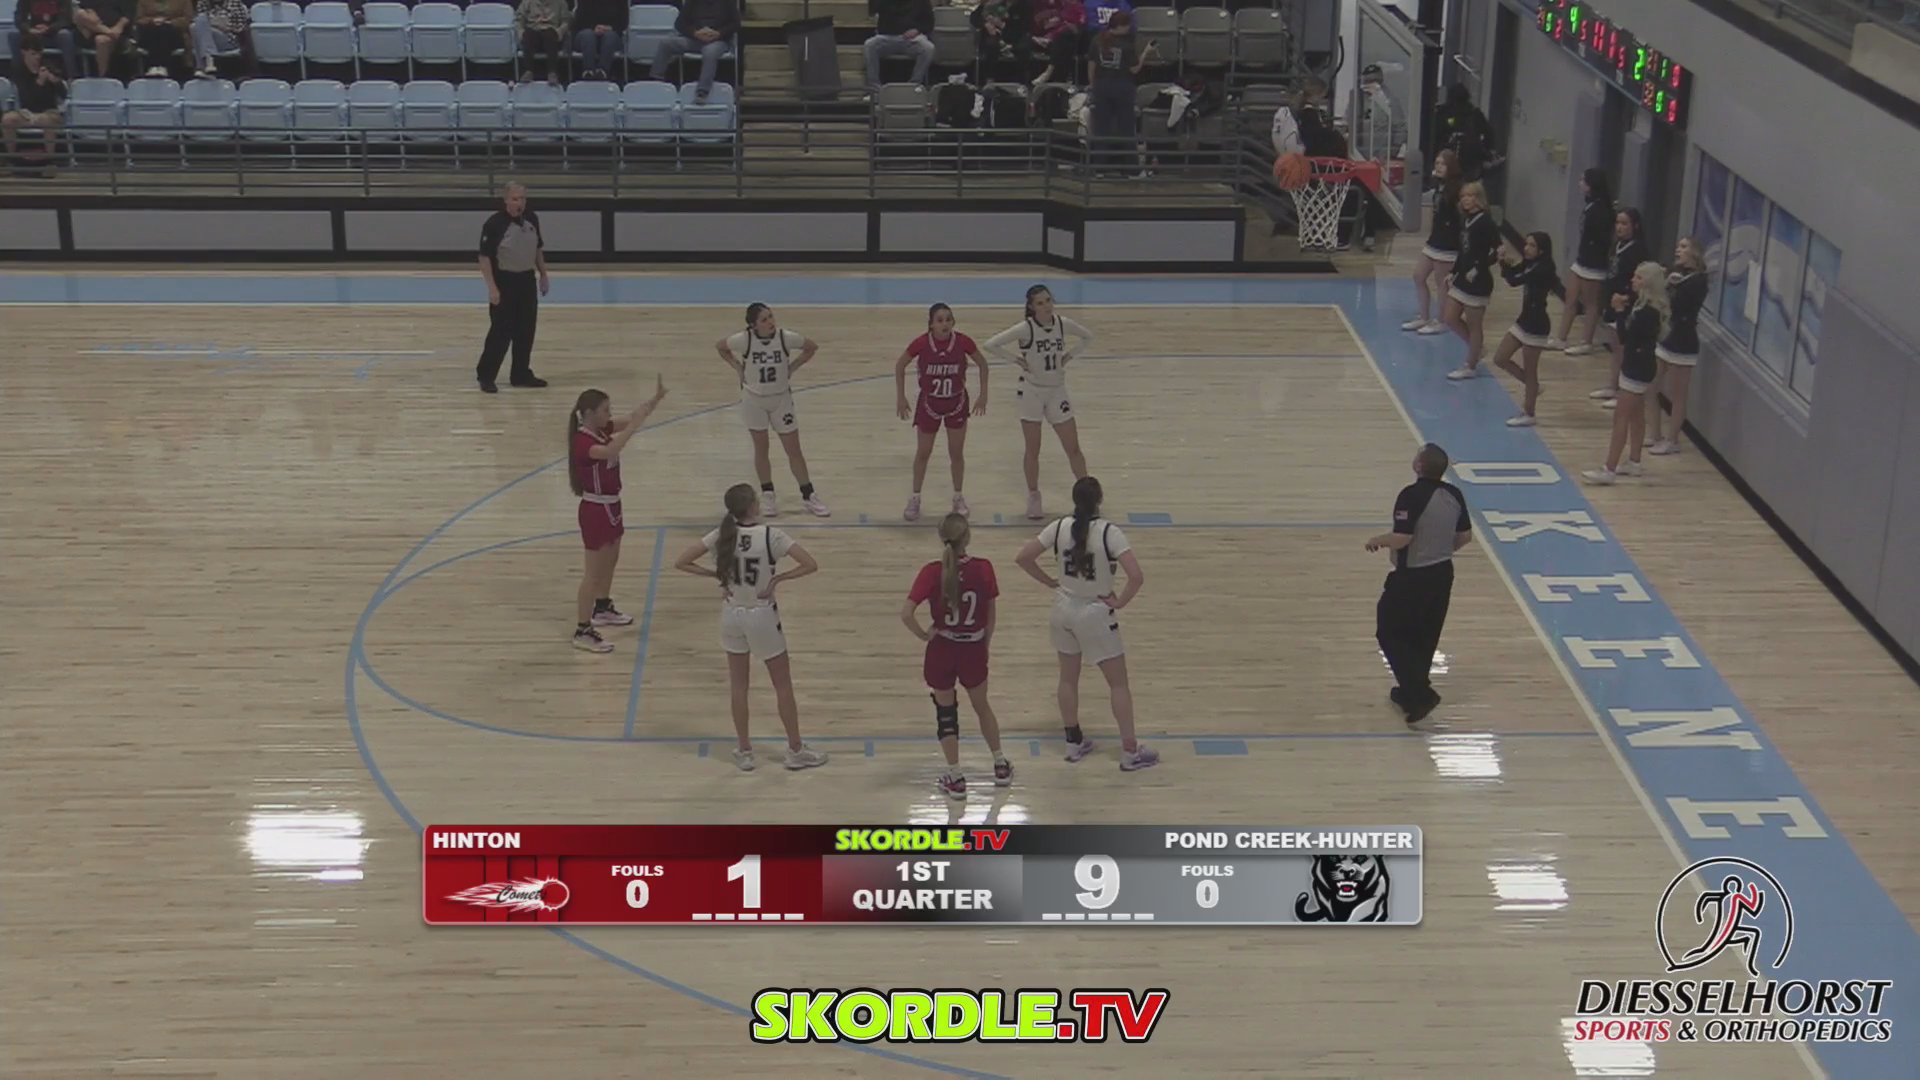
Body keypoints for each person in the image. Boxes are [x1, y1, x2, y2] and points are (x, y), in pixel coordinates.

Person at [672, 483, 829, 772]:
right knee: (782, 685)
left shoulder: (722, 535)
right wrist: (777, 579)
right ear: (754, 507)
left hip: (731, 614)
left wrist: (716, 576)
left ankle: (745, 751)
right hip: (762, 615)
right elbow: (810, 564)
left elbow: (681, 561)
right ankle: (795, 749)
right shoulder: (771, 535)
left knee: (739, 686)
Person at [1015, 476, 1157, 771]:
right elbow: (1137, 576)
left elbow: (1023, 557)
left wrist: (1050, 582)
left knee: (1067, 678)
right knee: (1118, 684)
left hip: (1063, 609)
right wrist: (1120, 602)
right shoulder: (1109, 532)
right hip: (1094, 612)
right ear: (1099, 500)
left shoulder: (1059, 526)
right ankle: (1130, 751)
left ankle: (1073, 742)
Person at [902, 513, 1011, 799]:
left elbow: (906, 613)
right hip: (972, 648)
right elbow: (990, 617)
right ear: (967, 537)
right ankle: (1000, 763)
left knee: (946, 714)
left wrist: (924, 635)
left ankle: (956, 776)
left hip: (942, 649)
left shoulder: (932, 572)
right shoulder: (984, 568)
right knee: (982, 706)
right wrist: (984, 644)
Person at [1367, 443, 1471, 725]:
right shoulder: (1454, 494)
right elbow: (1465, 536)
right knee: (1425, 633)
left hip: (1413, 576)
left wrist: (1378, 540)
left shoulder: (1410, 495)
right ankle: (1410, 693)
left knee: (1389, 631)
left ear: (1419, 466)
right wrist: (1439, 550)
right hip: (1443, 573)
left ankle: (1421, 694)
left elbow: (1403, 538)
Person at [565, 377, 668, 653]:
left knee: (610, 561)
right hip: (595, 509)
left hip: (612, 505)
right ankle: (582, 629)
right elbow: (612, 449)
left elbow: (634, 416)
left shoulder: (601, 429)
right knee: (592, 573)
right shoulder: (582, 442)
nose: (609, 415)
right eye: (605, 410)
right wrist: (633, 427)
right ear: (589, 414)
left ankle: (602, 607)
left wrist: (655, 400)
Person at [983, 285, 1095, 520]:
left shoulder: (1063, 324)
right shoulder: (1026, 328)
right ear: (1032, 307)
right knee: (1033, 449)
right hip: (1031, 392)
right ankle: (1034, 496)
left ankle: (1087, 497)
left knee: (1073, 448)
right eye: (1040, 303)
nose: (1046, 306)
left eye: (1048, 301)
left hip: (1057, 391)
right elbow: (991, 344)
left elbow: (1088, 337)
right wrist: (1017, 360)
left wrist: (1069, 356)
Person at [716, 303, 830, 519]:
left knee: (793, 450)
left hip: (781, 400)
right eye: (764, 319)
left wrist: (792, 368)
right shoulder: (744, 340)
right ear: (753, 325)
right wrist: (738, 368)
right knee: (761, 448)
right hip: (753, 400)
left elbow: (811, 347)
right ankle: (768, 494)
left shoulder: (785, 337)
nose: (770, 322)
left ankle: (809, 495)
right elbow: (720, 347)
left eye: (771, 317)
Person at [895, 303, 989, 522]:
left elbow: (983, 365)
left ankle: (958, 497)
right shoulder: (921, 343)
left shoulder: (963, 342)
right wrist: (901, 397)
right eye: (940, 320)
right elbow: (900, 366)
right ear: (931, 324)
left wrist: (983, 394)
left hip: (956, 402)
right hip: (930, 404)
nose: (945, 324)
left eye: (948, 319)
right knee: (923, 453)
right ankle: (915, 498)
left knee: (956, 453)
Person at [1582, 262, 1668, 485]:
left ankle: (1609, 469)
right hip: (1640, 365)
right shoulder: (1643, 306)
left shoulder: (1647, 312)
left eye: (1638, 277)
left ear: (1648, 283)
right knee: (1636, 415)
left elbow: (1624, 338)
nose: (1632, 280)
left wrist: (1619, 312)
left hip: (1636, 368)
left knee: (1621, 417)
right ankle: (1634, 461)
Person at [475, 181, 551, 393]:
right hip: (504, 281)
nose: (520, 203)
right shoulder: (494, 224)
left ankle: (520, 373)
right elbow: (484, 257)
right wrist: (492, 288)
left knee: (526, 330)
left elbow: (537, 248)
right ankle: (486, 375)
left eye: (523, 198)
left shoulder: (532, 219)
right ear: (506, 200)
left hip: (526, 280)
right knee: (501, 331)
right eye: (516, 199)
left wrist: (543, 274)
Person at [1490, 231, 1556, 426]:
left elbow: (1514, 279)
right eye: (1526, 244)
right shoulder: (1530, 263)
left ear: (1542, 250)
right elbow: (1513, 274)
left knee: (1531, 370)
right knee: (1500, 358)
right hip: (1524, 319)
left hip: (1537, 324)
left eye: (1532, 245)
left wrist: (1503, 263)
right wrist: (1505, 263)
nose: (1526, 248)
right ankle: (1533, 387)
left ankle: (1529, 413)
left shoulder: (1543, 268)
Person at [1649, 238, 1708, 455]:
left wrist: (1670, 287)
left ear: (1695, 252)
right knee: (1650, 386)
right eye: (1678, 246)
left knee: (1678, 395)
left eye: (1683, 247)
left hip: (1683, 340)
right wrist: (1666, 283)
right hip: (1667, 336)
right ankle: (1655, 434)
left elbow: (1679, 305)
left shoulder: (1698, 281)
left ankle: (1672, 440)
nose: (1678, 250)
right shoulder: (1677, 275)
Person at [1590, 206, 1649, 408]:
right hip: (1612, 301)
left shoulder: (1638, 250)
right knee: (1615, 347)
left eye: (1624, 223)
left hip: (1626, 304)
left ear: (1635, 226)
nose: (1619, 227)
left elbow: (1642, 281)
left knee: (1623, 349)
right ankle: (1612, 385)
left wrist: (1627, 298)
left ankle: (1623, 391)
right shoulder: (1617, 245)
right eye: (1617, 223)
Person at [1551, 167, 1614, 354]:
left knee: (1590, 303)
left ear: (1591, 184)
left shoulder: (1601, 209)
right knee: (1570, 298)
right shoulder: (1590, 205)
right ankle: (1561, 338)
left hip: (1594, 263)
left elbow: (1602, 238)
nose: (1579, 183)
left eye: (1583, 180)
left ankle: (1586, 341)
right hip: (1582, 259)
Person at [1441, 181, 1500, 380]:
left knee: (1475, 325)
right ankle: (1477, 349)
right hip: (1462, 278)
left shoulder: (1486, 222)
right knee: (1450, 317)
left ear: (1479, 198)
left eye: (1470, 195)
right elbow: (1464, 250)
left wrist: (1478, 268)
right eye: (1463, 196)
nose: (1466, 199)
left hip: (1479, 281)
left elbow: (1498, 250)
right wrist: (1454, 271)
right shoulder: (1465, 220)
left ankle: (1470, 365)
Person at [1084, 10, 1153, 177]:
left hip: (1101, 87)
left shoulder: (1097, 40)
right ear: (1120, 26)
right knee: (1126, 130)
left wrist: (1093, 86)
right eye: (1127, 25)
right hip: (1122, 88)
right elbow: (1134, 69)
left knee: (1101, 130)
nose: (1129, 28)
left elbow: (1091, 66)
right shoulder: (1126, 45)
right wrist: (1146, 52)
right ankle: (1131, 170)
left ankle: (1098, 169)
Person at [1403, 148, 1462, 332]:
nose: (1439, 166)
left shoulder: (1458, 189)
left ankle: (1442, 321)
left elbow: (1459, 218)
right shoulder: (1439, 186)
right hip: (1434, 240)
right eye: (1437, 163)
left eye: (1443, 163)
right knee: (1418, 276)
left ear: (1451, 166)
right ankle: (1423, 316)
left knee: (1441, 284)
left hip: (1448, 244)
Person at [654, 0, 735, 104]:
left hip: (718, 40)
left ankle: (702, 92)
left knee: (709, 52)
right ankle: (656, 81)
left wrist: (718, 33)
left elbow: (736, 24)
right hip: (695, 39)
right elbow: (679, 24)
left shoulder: (728, 2)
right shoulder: (692, 2)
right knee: (665, 43)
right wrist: (695, 33)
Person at [3, 35, 65, 170]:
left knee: (47, 121)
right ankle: (11, 158)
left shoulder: (48, 65)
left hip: (49, 112)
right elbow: (28, 98)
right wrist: (40, 82)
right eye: (33, 54)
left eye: (39, 54)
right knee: (7, 119)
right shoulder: (18, 69)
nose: (37, 57)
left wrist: (56, 82)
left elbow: (64, 94)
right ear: (24, 52)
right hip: (26, 112)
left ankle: (49, 161)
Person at [864, 0, 934, 90]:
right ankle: (874, 88)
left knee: (928, 48)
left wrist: (917, 30)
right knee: (869, 45)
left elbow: (929, 23)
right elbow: (872, 10)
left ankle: (914, 85)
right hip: (887, 37)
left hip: (912, 39)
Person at [1431, 83, 1495, 179]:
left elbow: (1435, 137)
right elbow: (1489, 134)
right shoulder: (1474, 113)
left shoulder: (1443, 113)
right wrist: (1486, 153)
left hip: (1447, 160)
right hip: (1470, 162)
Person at [10, 0, 79, 81]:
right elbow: (19, 18)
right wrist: (28, 29)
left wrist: (49, 29)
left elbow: (66, 20)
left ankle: (72, 78)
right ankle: (18, 78)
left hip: (55, 33)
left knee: (65, 35)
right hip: (34, 33)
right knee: (14, 35)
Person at [514, 0, 570, 87]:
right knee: (529, 34)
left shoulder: (560, 2)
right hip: (533, 31)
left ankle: (552, 72)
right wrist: (521, 33)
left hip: (552, 33)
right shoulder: (527, 2)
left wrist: (560, 32)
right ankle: (528, 71)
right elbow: (518, 20)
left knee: (550, 34)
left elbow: (566, 21)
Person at [73, 0, 130, 80]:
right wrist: (90, 12)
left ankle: (103, 77)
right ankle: (109, 32)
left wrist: (118, 27)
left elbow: (127, 16)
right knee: (80, 14)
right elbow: (85, 7)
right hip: (94, 29)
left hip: (116, 32)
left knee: (100, 40)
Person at [188, 0, 247, 79]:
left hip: (228, 39)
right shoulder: (203, 3)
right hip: (208, 38)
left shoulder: (235, 3)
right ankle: (209, 62)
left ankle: (202, 66)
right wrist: (216, 23)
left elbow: (241, 27)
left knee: (198, 26)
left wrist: (224, 26)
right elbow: (200, 24)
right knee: (194, 26)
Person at [571, 0, 626, 82]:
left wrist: (609, 28)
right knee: (588, 35)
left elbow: (624, 22)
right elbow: (578, 22)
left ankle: (602, 72)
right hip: (586, 32)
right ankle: (588, 72)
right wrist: (594, 28)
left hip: (612, 32)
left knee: (610, 36)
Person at [133, 0, 189, 77]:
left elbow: (188, 18)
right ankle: (154, 67)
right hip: (150, 28)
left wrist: (170, 22)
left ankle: (161, 66)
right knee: (156, 30)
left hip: (174, 29)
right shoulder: (143, 1)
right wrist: (152, 20)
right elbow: (139, 19)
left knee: (165, 29)